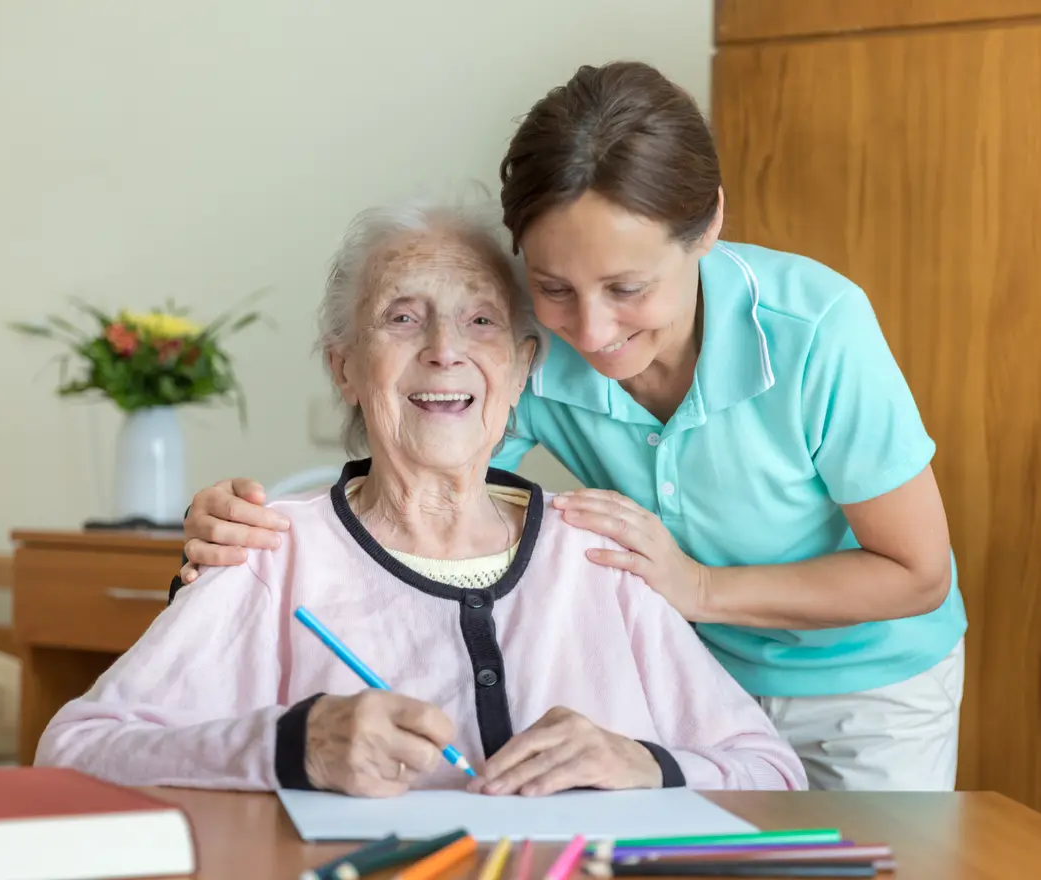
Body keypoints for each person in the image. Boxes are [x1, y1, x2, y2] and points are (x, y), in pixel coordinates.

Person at [174, 61, 967, 792]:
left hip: (866, 682)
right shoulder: (525, 346)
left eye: (627, 287)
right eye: (553, 286)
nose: (589, 331)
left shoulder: (814, 330)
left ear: (709, 225)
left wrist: (699, 589)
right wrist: (266, 532)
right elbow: (433, 488)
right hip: (695, 677)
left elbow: (916, 571)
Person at [34, 203, 807, 797]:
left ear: (519, 366)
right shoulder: (268, 552)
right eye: (403, 318)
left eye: (480, 321)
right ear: (345, 368)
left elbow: (773, 772)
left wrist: (645, 765)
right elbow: (73, 751)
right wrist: (288, 746)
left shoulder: (599, 552)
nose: (444, 349)